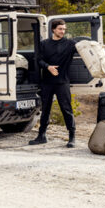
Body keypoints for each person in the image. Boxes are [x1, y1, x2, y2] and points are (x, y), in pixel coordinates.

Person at [29, 19, 77, 148]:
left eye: (64, 29)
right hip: (47, 82)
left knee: (66, 109)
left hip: (62, 82)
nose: (63, 31)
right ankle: (41, 136)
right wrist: (48, 67)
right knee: (45, 110)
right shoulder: (44, 44)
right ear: (53, 29)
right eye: (60, 29)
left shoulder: (70, 44)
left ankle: (72, 137)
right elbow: (38, 60)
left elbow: (86, 50)